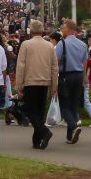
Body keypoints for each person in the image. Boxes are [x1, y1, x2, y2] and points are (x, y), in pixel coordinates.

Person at [14, 20, 58, 150]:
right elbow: (54, 67)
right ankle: (36, 141)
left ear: (31, 31)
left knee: (29, 109)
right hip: (44, 82)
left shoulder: (26, 44)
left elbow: (21, 65)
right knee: (39, 111)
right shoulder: (49, 46)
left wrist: (19, 85)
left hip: (30, 81)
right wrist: (54, 86)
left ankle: (44, 132)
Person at [55, 20, 88, 145]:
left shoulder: (61, 44)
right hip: (79, 75)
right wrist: (84, 79)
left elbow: (56, 62)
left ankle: (74, 127)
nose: (62, 29)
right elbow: (85, 63)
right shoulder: (82, 44)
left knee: (64, 106)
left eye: (63, 27)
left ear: (69, 29)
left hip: (65, 75)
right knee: (73, 106)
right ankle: (70, 136)